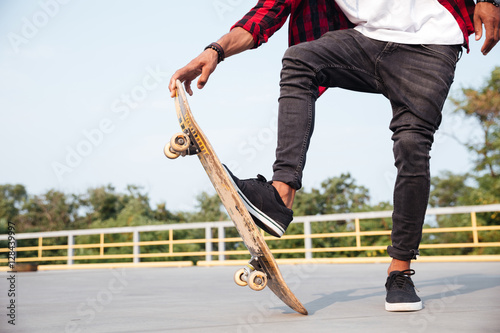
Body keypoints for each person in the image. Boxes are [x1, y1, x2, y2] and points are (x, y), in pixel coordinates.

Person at [169, 1, 500, 312]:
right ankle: (279, 195)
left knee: (412, 145)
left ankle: (400, 270)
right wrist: (215, 51)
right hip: (367, 39)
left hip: (433, 42)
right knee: (301, 60)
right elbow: (268, 12)